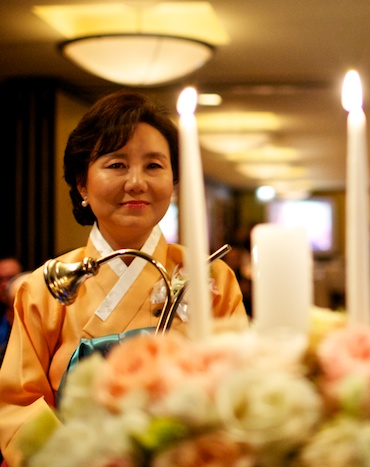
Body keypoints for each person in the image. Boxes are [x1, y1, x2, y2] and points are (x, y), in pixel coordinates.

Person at [0, 90, 248, 466]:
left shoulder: (212, 277)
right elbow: (15, 404)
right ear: (82, 183)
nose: (136, 183)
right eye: (116, 165)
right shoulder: (45, 287)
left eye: (154, 166)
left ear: (175, 181)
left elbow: (239, 385)